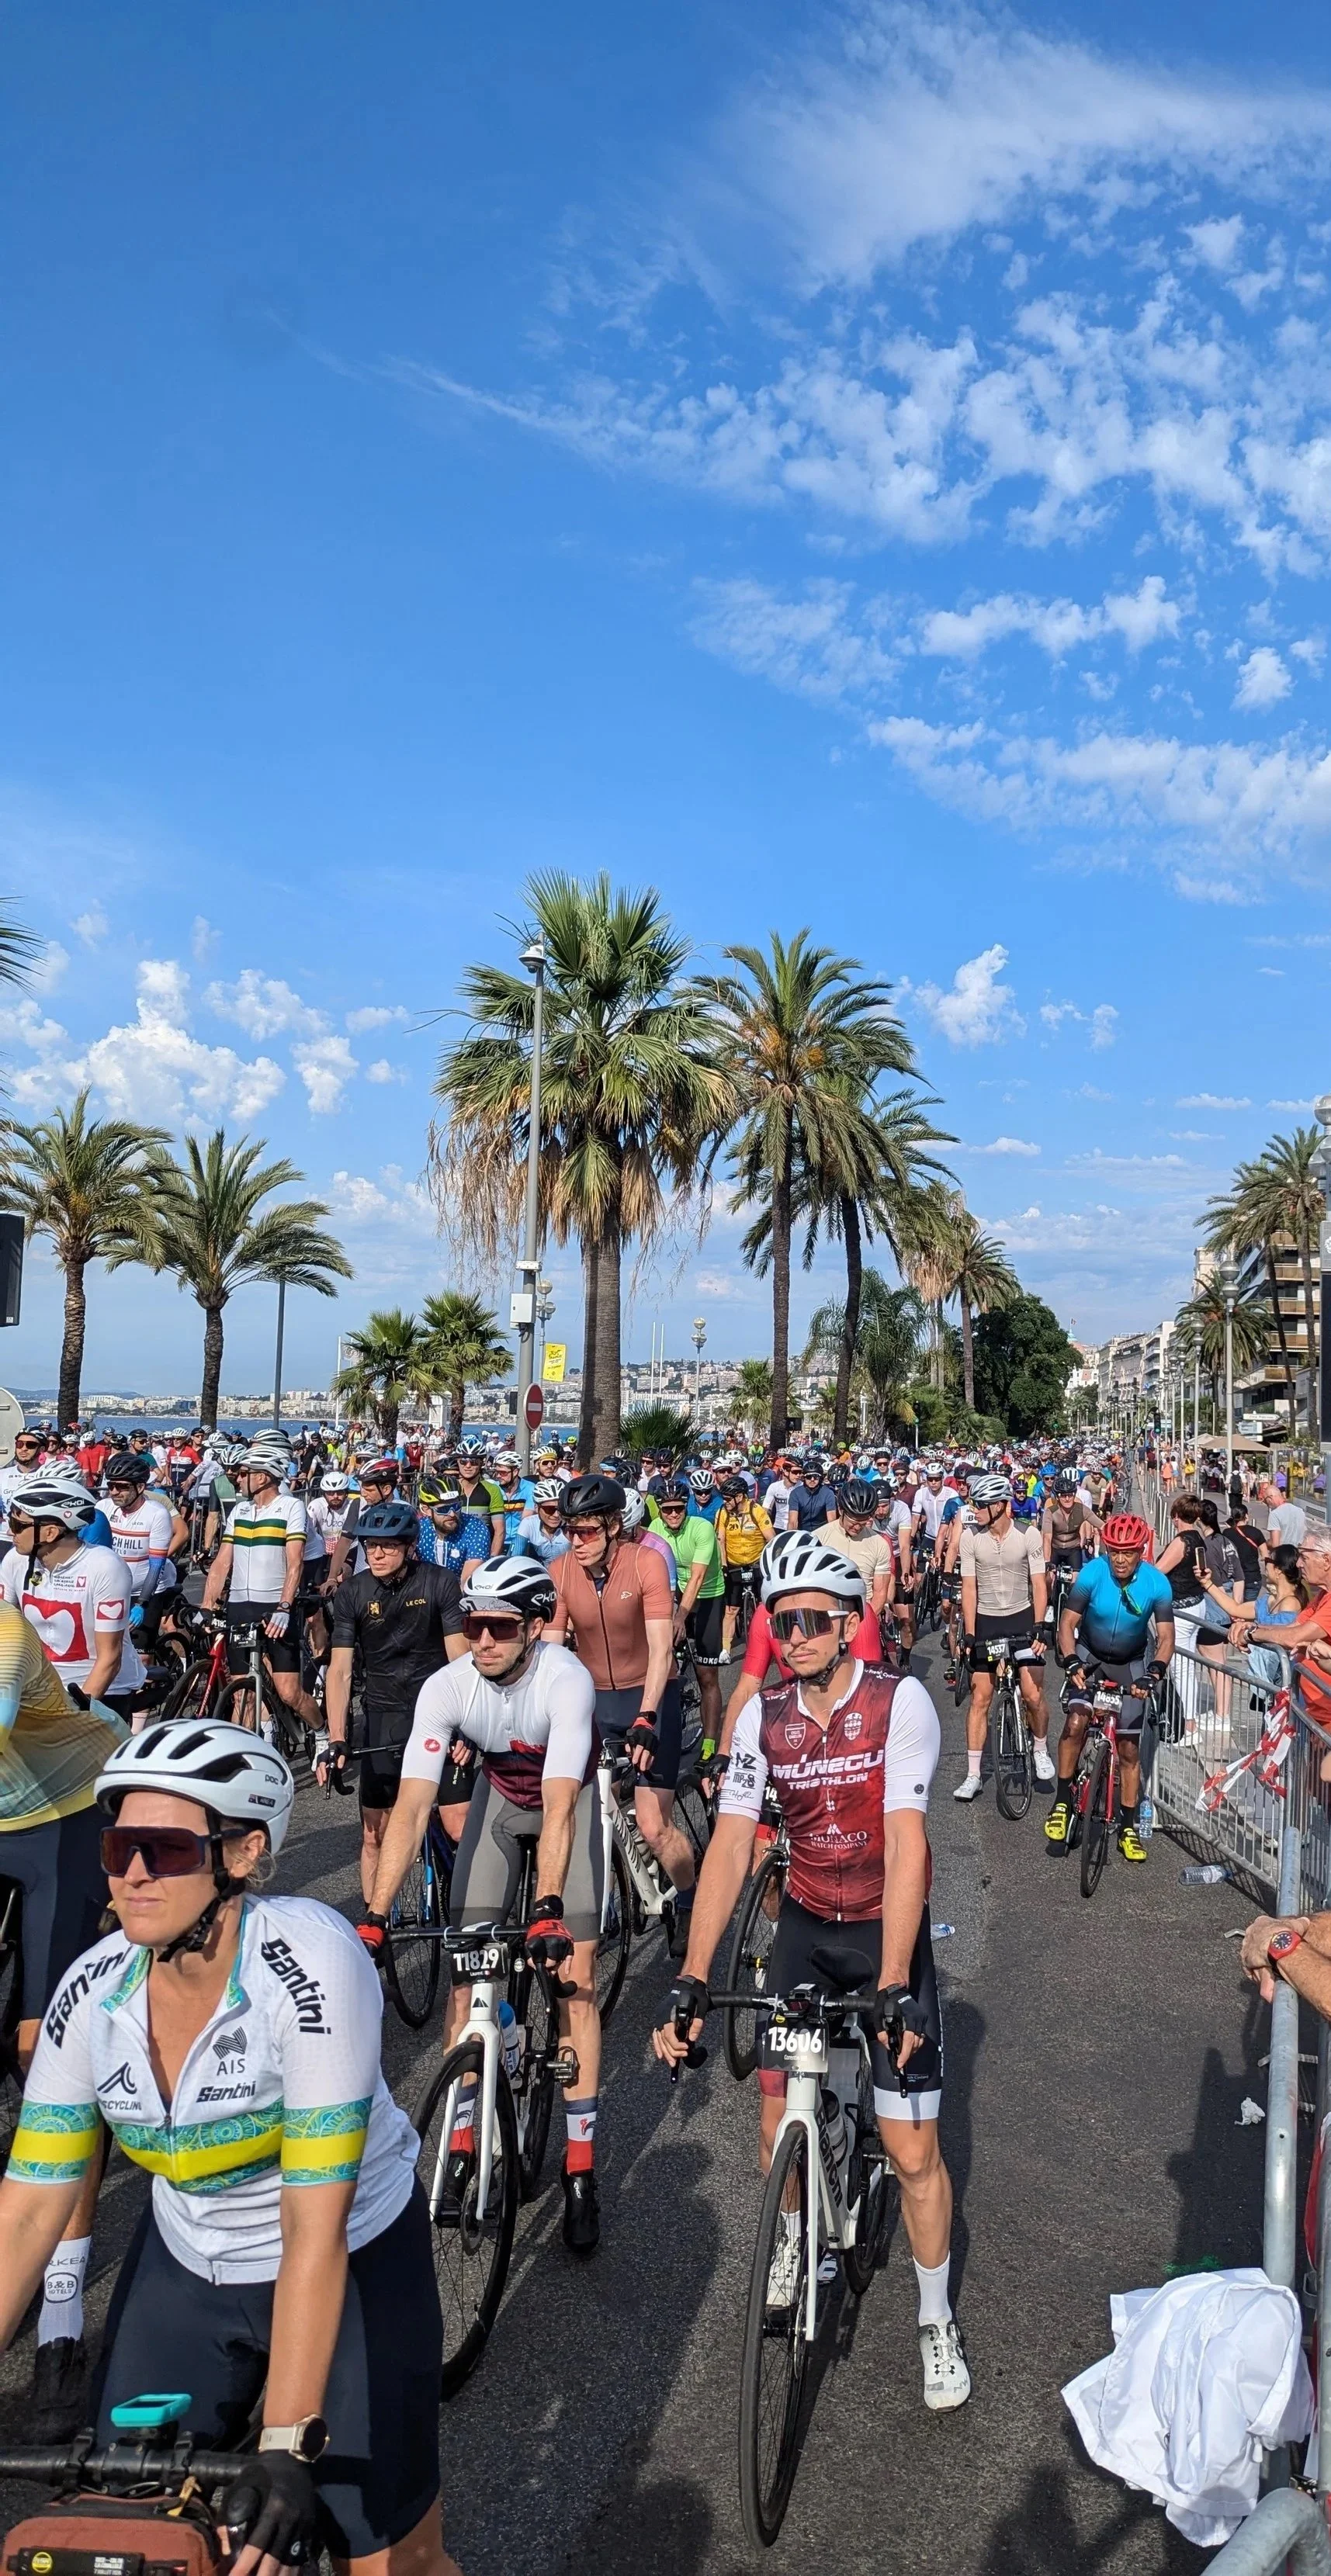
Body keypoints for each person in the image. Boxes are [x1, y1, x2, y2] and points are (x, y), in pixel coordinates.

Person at [0, 1719, 457, 2576]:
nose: (131, 1873)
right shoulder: (90, 1991)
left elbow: (311, 2224)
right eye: (118, 1845)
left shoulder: (313, 1964)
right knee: (128, 2540)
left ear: (242, 1853)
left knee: (390, 2560)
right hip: (186, 2266)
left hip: (349, 2261)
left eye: (163, 1849)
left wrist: (287, 2442)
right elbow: (25, 2214)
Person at [653, 1532, 969, 2414]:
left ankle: (934, 2316)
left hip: (879, 1930)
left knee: (911, 2153)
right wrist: (689, 1969)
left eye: (809, 1622)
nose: (791, 1636)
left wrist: (897, 1976)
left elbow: (907, 1838)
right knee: (771, 2131)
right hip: (802, 1925)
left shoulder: (897, 1702)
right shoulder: (761, 1717)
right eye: (778, 1621)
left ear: (845, 1626)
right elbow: (729, 1843)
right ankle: (790, 2233)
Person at [362, 1557, 605, 2256]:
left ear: (533, 1628)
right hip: (501, 1804)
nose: (483, 1641)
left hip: (567, 1805)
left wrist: (550, 1906)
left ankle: (581, 2163)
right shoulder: (448, 1686)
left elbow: (561, 1807)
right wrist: (377, 1914)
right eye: (472, 1625)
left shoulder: (565, 1680)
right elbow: (411, 1809)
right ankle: (464, 2136)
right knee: (469, 1977)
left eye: (499, 1627)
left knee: (574, 1984)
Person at [547, 1473, 697, 1958]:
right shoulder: (561, 1571)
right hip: (596, 1700)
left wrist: (648, 1716)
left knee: (653, 1824)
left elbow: (660, 1651)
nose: (577, 1541)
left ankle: (691, 1902)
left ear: (614, 1526)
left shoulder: (647, 1563)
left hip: (650, 1696)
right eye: (570, 1530)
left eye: (588, 1531)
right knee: (582, 1809)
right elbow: (551, 1654)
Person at [319, 1500, 466, 1901]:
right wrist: (336, 1738)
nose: (377, 1554)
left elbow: (460, 1660)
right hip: (383, 1714)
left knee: (459, 1826)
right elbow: (340, 1671)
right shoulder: (353, 1593)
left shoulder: (440, 1583)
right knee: (374, 1836)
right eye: (370, 1546)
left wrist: (466, 1726)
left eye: (388, 1547)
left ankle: (470, 1912)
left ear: (409, 1547)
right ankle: (373, 1931)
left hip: (438, 1714)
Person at [1048, 1513, 1176, 1861]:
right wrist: (1071, 1658)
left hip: (1131, 1665)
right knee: (1075, 1723)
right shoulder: (1093, 1572)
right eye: (1114, 1551)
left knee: (1130, 1750)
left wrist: (1155, 1673)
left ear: (1141, 1552)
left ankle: (1128, 1827)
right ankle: (1061, 1803)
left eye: (1128, 1552)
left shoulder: (1156, 1583)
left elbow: (1166, 1638)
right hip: (1090, 1656)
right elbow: (1067, 1622)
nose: (1120, 1559)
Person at [202, 1433, 321, 1746]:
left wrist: (284, 1606)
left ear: (263, 1477)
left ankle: (322, 1732)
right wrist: (206, 1604)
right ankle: (252, 1747)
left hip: (274, 1607)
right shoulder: (240, 1512)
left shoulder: (291, 1507)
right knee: (242, 1692)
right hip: (241, 1606)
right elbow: (221, 1562)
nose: (238, 1479)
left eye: (244, 1474)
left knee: (289, 1692)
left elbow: (294, 1562)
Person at [1, 1475, 142, 1725]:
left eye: (18, 1524)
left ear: (51, 1532)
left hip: (102, 1689)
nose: (11, 1530)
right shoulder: (15, 1560)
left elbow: (109, 1658)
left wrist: (74, 1719)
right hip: (41, 1687)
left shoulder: (105, 1567)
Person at [955, 1473, 1053, 1802]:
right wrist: (969, 1633)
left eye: (980, 1505)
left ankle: (1040, 1748)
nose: (975, 1510)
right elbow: (969, 1587)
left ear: (999, 1506)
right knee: (980, 1695)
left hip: (1022, 1616)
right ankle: (973, 1775)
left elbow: (1039, 1583)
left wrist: (1040, 1625)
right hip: (986, 1620)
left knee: (1032, 1692)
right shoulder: (970, 1537)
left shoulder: (1029, 1534)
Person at [649, 1478, 725, 1764]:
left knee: (707, 1676)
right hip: (676, 1593)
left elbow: (698, 1576)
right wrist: (669, 1610)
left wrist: (681, 1616)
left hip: (708, 1596)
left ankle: (708, 1742)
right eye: (667, 1510)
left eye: (679, 1509)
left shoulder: (701, 1528)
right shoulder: (656, 1529)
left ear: (687, 1506)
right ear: (659, 1509)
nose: (673, 1515)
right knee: (661, 1660)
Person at [829, 1477, 895, 1654]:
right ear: (841, 1509)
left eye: (864, 1520)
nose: (858, 1526)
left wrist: (861, 1626)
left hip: (863, 1618)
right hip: (828, 1620)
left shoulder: (879, 1543)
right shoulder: (820, 1538)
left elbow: (880, 1593)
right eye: (853, 1520)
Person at [715, 1478, 774, 1659]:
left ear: (739, 1497)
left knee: (767, 1607)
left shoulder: (757, 1511)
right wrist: (723, 1566)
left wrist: (771, 1565)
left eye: (727, 1498)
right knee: (731, 1610)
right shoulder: (722, 1513)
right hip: (734, 1564)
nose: (724, 1502)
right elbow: (720, 1541)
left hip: (757, 1562)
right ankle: (725, 1650)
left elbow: (771, 1539)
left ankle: (772, 1645)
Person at [513, 1477, 571, 1566]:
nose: (556, 1515)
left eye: (560, 1509)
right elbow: (514, 1559)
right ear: (536, 1508)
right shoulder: (528, 1523)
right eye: (549, 1509)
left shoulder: (571, 1525)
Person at [785, 1456, 838, 1534]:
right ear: (804, 1478)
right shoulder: (795, 1493)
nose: (812, 1480)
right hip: (802, 1532)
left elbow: (831, 1521)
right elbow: (793, 1522)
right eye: (809, 1477)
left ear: (820, 1478)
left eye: (816, 1477)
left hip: (822, 1532)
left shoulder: (828, 1493)